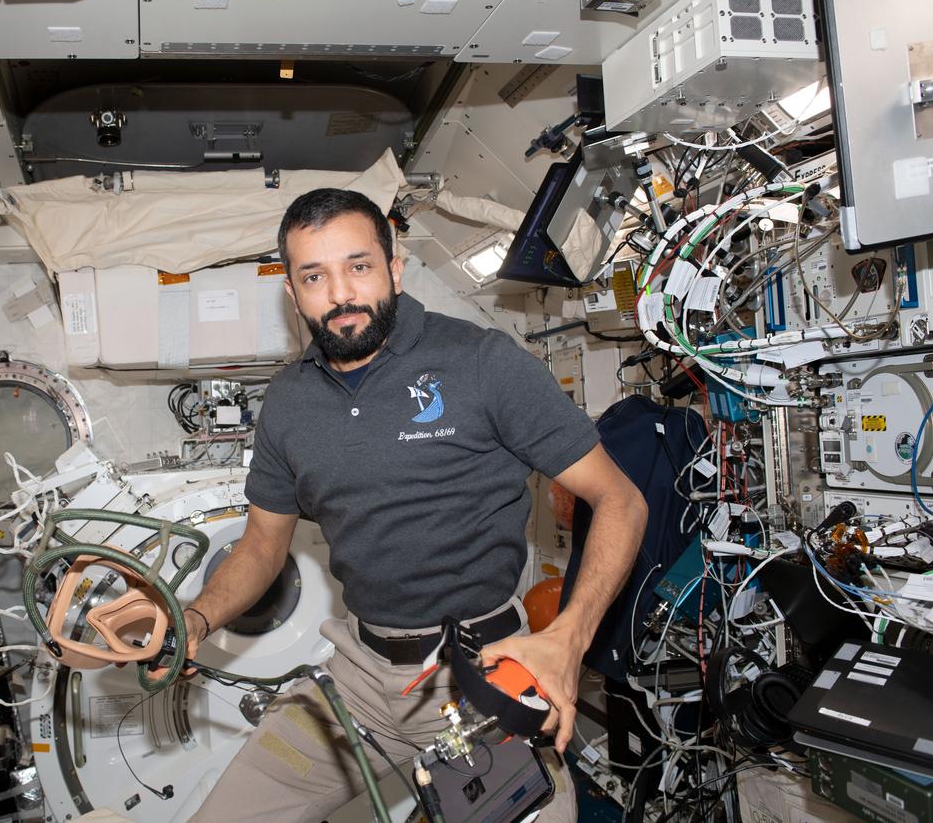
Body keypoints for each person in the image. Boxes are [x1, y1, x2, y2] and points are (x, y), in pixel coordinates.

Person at [176, 188, 647, 822]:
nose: (340, 294)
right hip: (359, 679)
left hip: (486, 674)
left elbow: (619, 498)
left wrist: (569, 636)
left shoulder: (481, 362)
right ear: (293, 292)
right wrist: (193, 622)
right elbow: (263, 546)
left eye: (359, 266)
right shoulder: (287, 404)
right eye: (314, 276)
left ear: (395, 269)